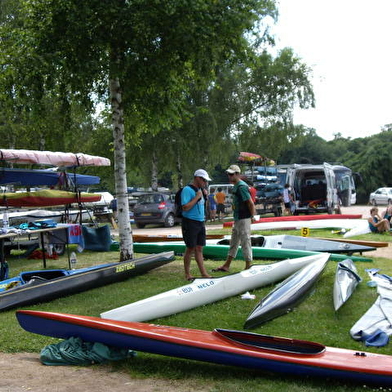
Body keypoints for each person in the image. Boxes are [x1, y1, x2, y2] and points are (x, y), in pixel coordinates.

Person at [213, 164, 256, 272]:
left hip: (243, 218)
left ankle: (248, 265)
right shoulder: (237, 185)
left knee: (245, 241)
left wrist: (252, 216)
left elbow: (250, 203)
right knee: (234, 242)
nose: (229, 176)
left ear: (237, 174)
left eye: (231, 174)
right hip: (238, 218)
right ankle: (227, 265)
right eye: (228, 174)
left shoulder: (241, 187)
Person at [181, 169, 213, 280]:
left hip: (200, 221)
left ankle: (203, 273)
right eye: (204, 180)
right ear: (197, 178)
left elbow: (202, 205)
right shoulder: (187, 190)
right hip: (190, 222)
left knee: (199, 248)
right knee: (190, 248)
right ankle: (187, 274)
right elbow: (185, 207)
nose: (205, 183)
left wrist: (205, 196)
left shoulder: (200, 190)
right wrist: (197, 197)